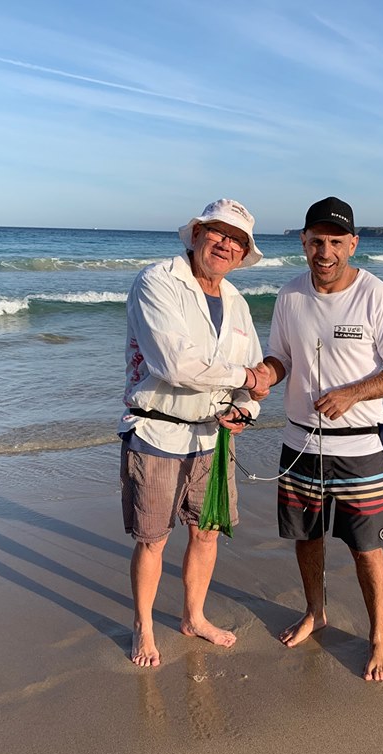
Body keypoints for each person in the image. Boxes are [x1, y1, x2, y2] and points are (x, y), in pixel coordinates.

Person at [248, 197, 383, 682]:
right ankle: (315, 612)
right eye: (316, 241)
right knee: (306, 540)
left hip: (359, 448)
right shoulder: (289, 296)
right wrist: (264, 374)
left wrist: (354, 392)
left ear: (353, 245)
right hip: (299, 444)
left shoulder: (377, 296)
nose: (325, 251)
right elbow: (281, 356)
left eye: (336, 242)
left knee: (366, 549)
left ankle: (379, 634)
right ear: (303, 241)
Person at [119, 199, 272, 667]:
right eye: (219, 233)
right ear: (198, 233)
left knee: (206, 533)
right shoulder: (158, 282)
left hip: (213, 439)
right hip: (158, 435)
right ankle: (144, 627)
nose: (226, 245)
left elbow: (256, 378)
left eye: (237, 240)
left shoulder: (238, 303)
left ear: (244, 254)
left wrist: (246, 410)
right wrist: (247, 379)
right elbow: (175, 365)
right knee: (153, 539)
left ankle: (193, 617)